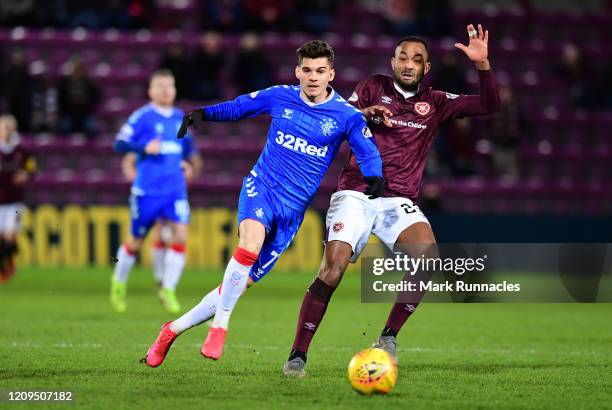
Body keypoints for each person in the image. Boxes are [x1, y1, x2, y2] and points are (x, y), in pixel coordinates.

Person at [144, 40, 384, 367]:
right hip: (262, 189)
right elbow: (240, 106)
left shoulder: (345, 116)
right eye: (307, 70)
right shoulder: (279, 96)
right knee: (249, 245)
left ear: (331, 73)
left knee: (235, 287)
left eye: (320, 71)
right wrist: (203, 114)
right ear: (297, 71)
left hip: (291, 214)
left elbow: (367, 150)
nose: (313, 77)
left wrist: (374, 175)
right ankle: (220, 327)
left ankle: (171, 331)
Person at [282, 24, 501, 376]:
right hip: (356, 191)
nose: (409, 64)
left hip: (397, 200)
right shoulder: (372, 87)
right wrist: (364, 114)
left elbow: (490, 104)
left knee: (428, 259)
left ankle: (387, 337)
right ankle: (297, 355)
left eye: (417, 59)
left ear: (426, 68)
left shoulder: (437, 103)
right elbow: (340, 120)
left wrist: (483, 64)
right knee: (333, 269)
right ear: (393, 61)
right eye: (403, 57)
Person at [111, 70, 199, 314]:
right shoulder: (142, 117)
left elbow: (183, 149)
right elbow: (118, 144)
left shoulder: (181, 119)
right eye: (160, 86)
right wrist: (142, 147)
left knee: (181, 236)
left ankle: (167, 289)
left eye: (169, 86)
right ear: (150, 91)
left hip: (175, 191)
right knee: (135, 242)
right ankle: (118, 283)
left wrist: (183, 163)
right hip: (147, 191)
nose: (165, 90)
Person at [120, 150, 202, 290]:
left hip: (172, 194)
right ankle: (160, 280)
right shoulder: (152, 137)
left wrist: (188, 177)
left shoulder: (180, 137)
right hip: (151, 195)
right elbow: (129, 158)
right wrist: (139, 182)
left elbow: (195, 161)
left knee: (175, 236)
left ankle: (165, 283)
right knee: (148, 237)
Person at [0, 114, 36, 283]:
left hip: (15, 202)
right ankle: (9, 264)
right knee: (3, 238)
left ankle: (6, 268)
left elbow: (31, 168)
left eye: (8, 126)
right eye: (3, 126)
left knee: (9, 235)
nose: (6, 130)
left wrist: (25, 174)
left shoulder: (21, 151)